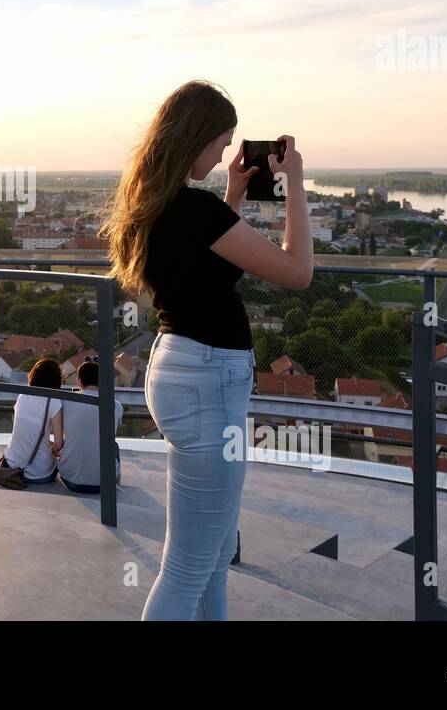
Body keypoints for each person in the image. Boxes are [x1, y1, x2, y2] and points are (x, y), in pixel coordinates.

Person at [102, 80, 312, 621]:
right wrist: (295, 186)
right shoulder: (192, 211)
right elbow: (297, 272)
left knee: (214, 554)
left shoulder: (156, 206)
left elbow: (203, 266)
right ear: (197, 137)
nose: (225, 154)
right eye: (222, 142)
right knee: (189, 565)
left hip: (181, 371)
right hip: (206, 383)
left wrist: (234, 199)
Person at [53, 358, 123, 494]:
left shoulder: (66, 401)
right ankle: (117, 484)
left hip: (70, 478)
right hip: (105, 484)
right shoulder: (116, 406)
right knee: (113, 445)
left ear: (79, 382)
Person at [0, 358, 64, 484]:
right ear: (56, 380)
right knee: (58, 457)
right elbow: (59, 444)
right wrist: (52, 450)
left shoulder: (22, 396)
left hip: (11, 467)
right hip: (39, 474)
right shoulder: (54, 402)